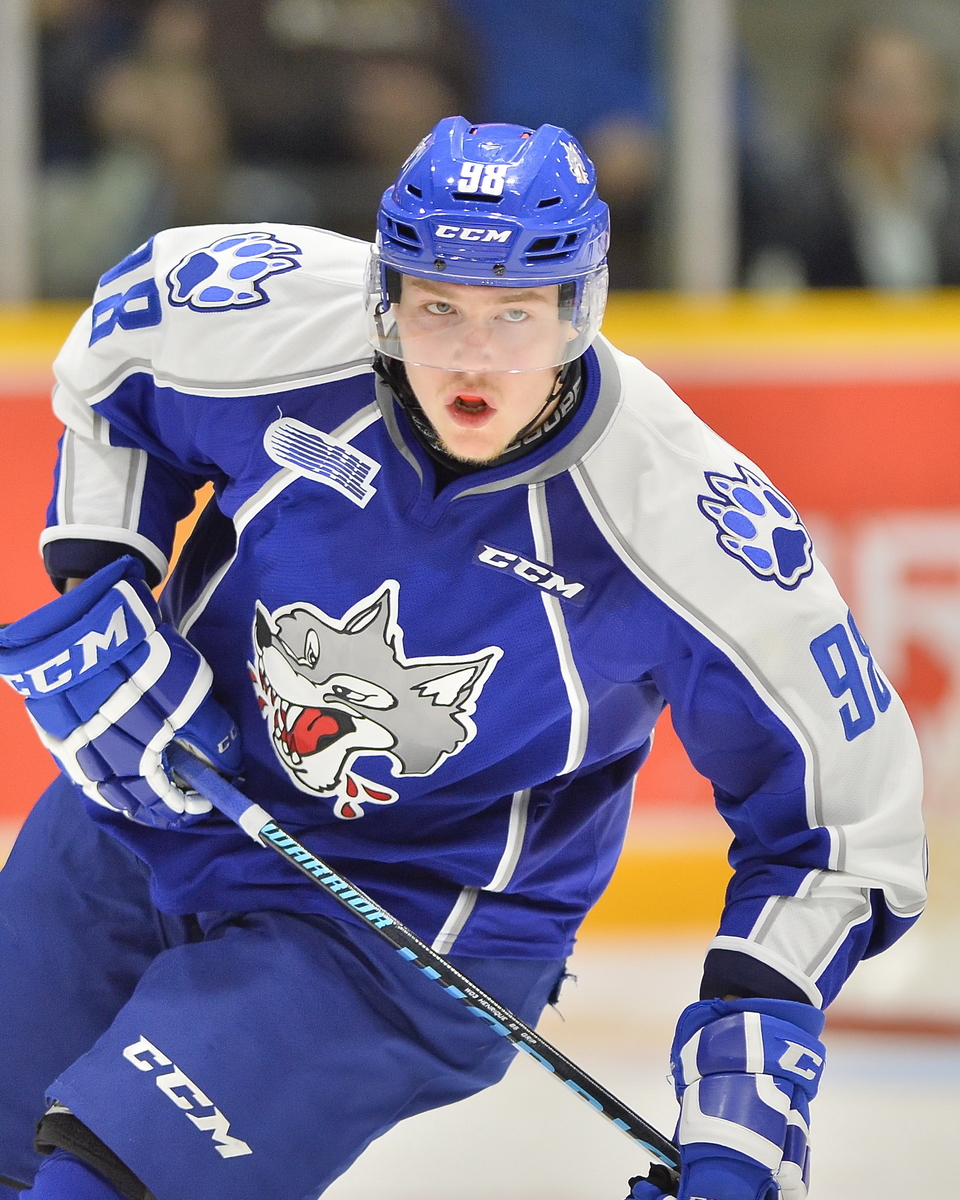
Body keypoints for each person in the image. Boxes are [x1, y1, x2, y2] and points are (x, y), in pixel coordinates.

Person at [0, 117, 925, 1200]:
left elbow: (844, 825)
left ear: (579, 309)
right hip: (154, 800)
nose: (474, 359)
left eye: (515, 314)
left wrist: (750, 1078)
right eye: (439, 307)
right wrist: (104, 590)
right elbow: (116, 375)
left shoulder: (684, 523)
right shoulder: (278, 320)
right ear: (387, 296)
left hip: (402, 929)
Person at [742, 22, 960, 290]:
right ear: (842, 95)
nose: (898, 107)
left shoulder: (951, 179)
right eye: (881, 91)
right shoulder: (793, 197)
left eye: (914, 91)